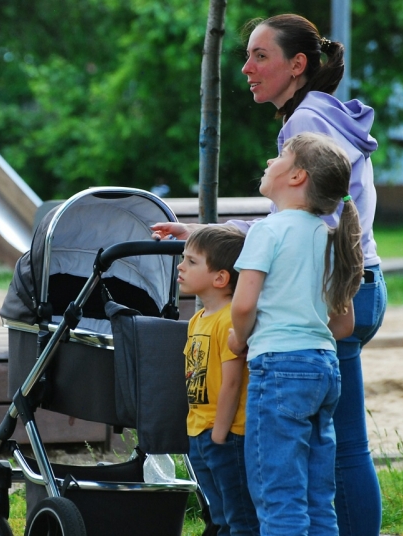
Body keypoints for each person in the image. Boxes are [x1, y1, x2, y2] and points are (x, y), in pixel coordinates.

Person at [152, 14, 386, 535]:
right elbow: (300, 219)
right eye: (246, 56)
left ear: (296, 65)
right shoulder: (321, 113)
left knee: (330, 456)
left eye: (261, 56)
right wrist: (211, 229)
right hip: (357, 288)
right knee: (340, 448)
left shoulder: (306, 126)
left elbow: (306, 225)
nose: (247, 68)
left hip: (333, 294)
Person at [228, 132, 362, 535]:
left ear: (297, 176)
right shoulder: (330, 237)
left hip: (278, 369)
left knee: (278, 494)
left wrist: (238, 339)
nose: (271, 160)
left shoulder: (267, 231)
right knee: (318, 498)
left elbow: (244, 304)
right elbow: (344, 324)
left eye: (281, 155)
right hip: (323, 369)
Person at [179, 226, 259, 536]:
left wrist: (220, 432)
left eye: (191, 261)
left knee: (241, 518)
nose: (181, 266)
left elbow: (232, 382)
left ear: (221, 278)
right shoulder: (198, 319)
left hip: (225, 434)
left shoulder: (228, 319)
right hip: (199, 432)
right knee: (220, 516)